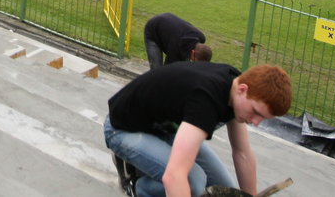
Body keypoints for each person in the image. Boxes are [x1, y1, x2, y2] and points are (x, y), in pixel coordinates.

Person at [105, 62, 292, 197]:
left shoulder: (236, 87)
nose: (256, 122)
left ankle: (143, 164)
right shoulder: (206, 101)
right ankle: (138, 187)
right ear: (243, 89)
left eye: (263, 118)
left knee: (226, 189)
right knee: (193, 182)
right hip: (122, 130)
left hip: (162, 130)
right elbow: (174, 176)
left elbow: (242, 152)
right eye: (255, 112)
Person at [144, 13, 211, 69]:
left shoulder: (201, 37)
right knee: (157, 71)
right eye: (196, 62)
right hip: (153, 30)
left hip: (169, 25)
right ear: (193, 53)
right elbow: (167, 71)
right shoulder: (175, 49)